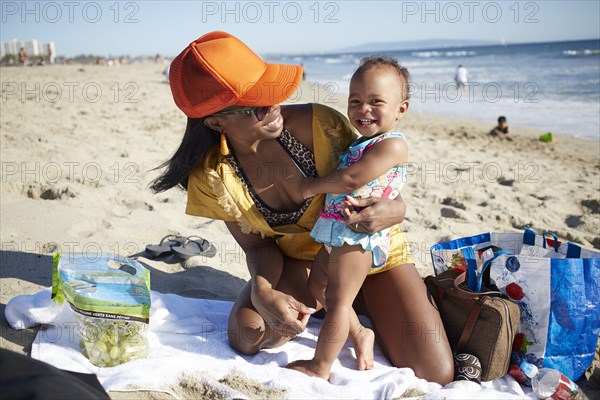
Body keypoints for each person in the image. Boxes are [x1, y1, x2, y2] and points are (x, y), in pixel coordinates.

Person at [150, 31, 454, 385]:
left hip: (372, 252)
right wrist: (263, 290)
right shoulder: (212, 175)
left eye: (272, 93)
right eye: (257, 105)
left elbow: (375, 175)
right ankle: (349, 312)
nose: (274, 106)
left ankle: (363, 308)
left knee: (436, 371)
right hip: (308, 269)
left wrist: (396, 210)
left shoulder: (318, 126)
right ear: (217, 121)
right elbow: (256, 245)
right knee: (248, 336)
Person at [286, 56, 409, 380]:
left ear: (401, 109)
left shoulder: (393, 145)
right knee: (318, 287)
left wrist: (309, 187)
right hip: (336, 231)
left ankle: (321, 365)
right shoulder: (360, 142)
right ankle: (360, 334)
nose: (363, 109)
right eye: (355, 101)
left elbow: (352, 179)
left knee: (339, 301)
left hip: (358, 237)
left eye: (375, 102)